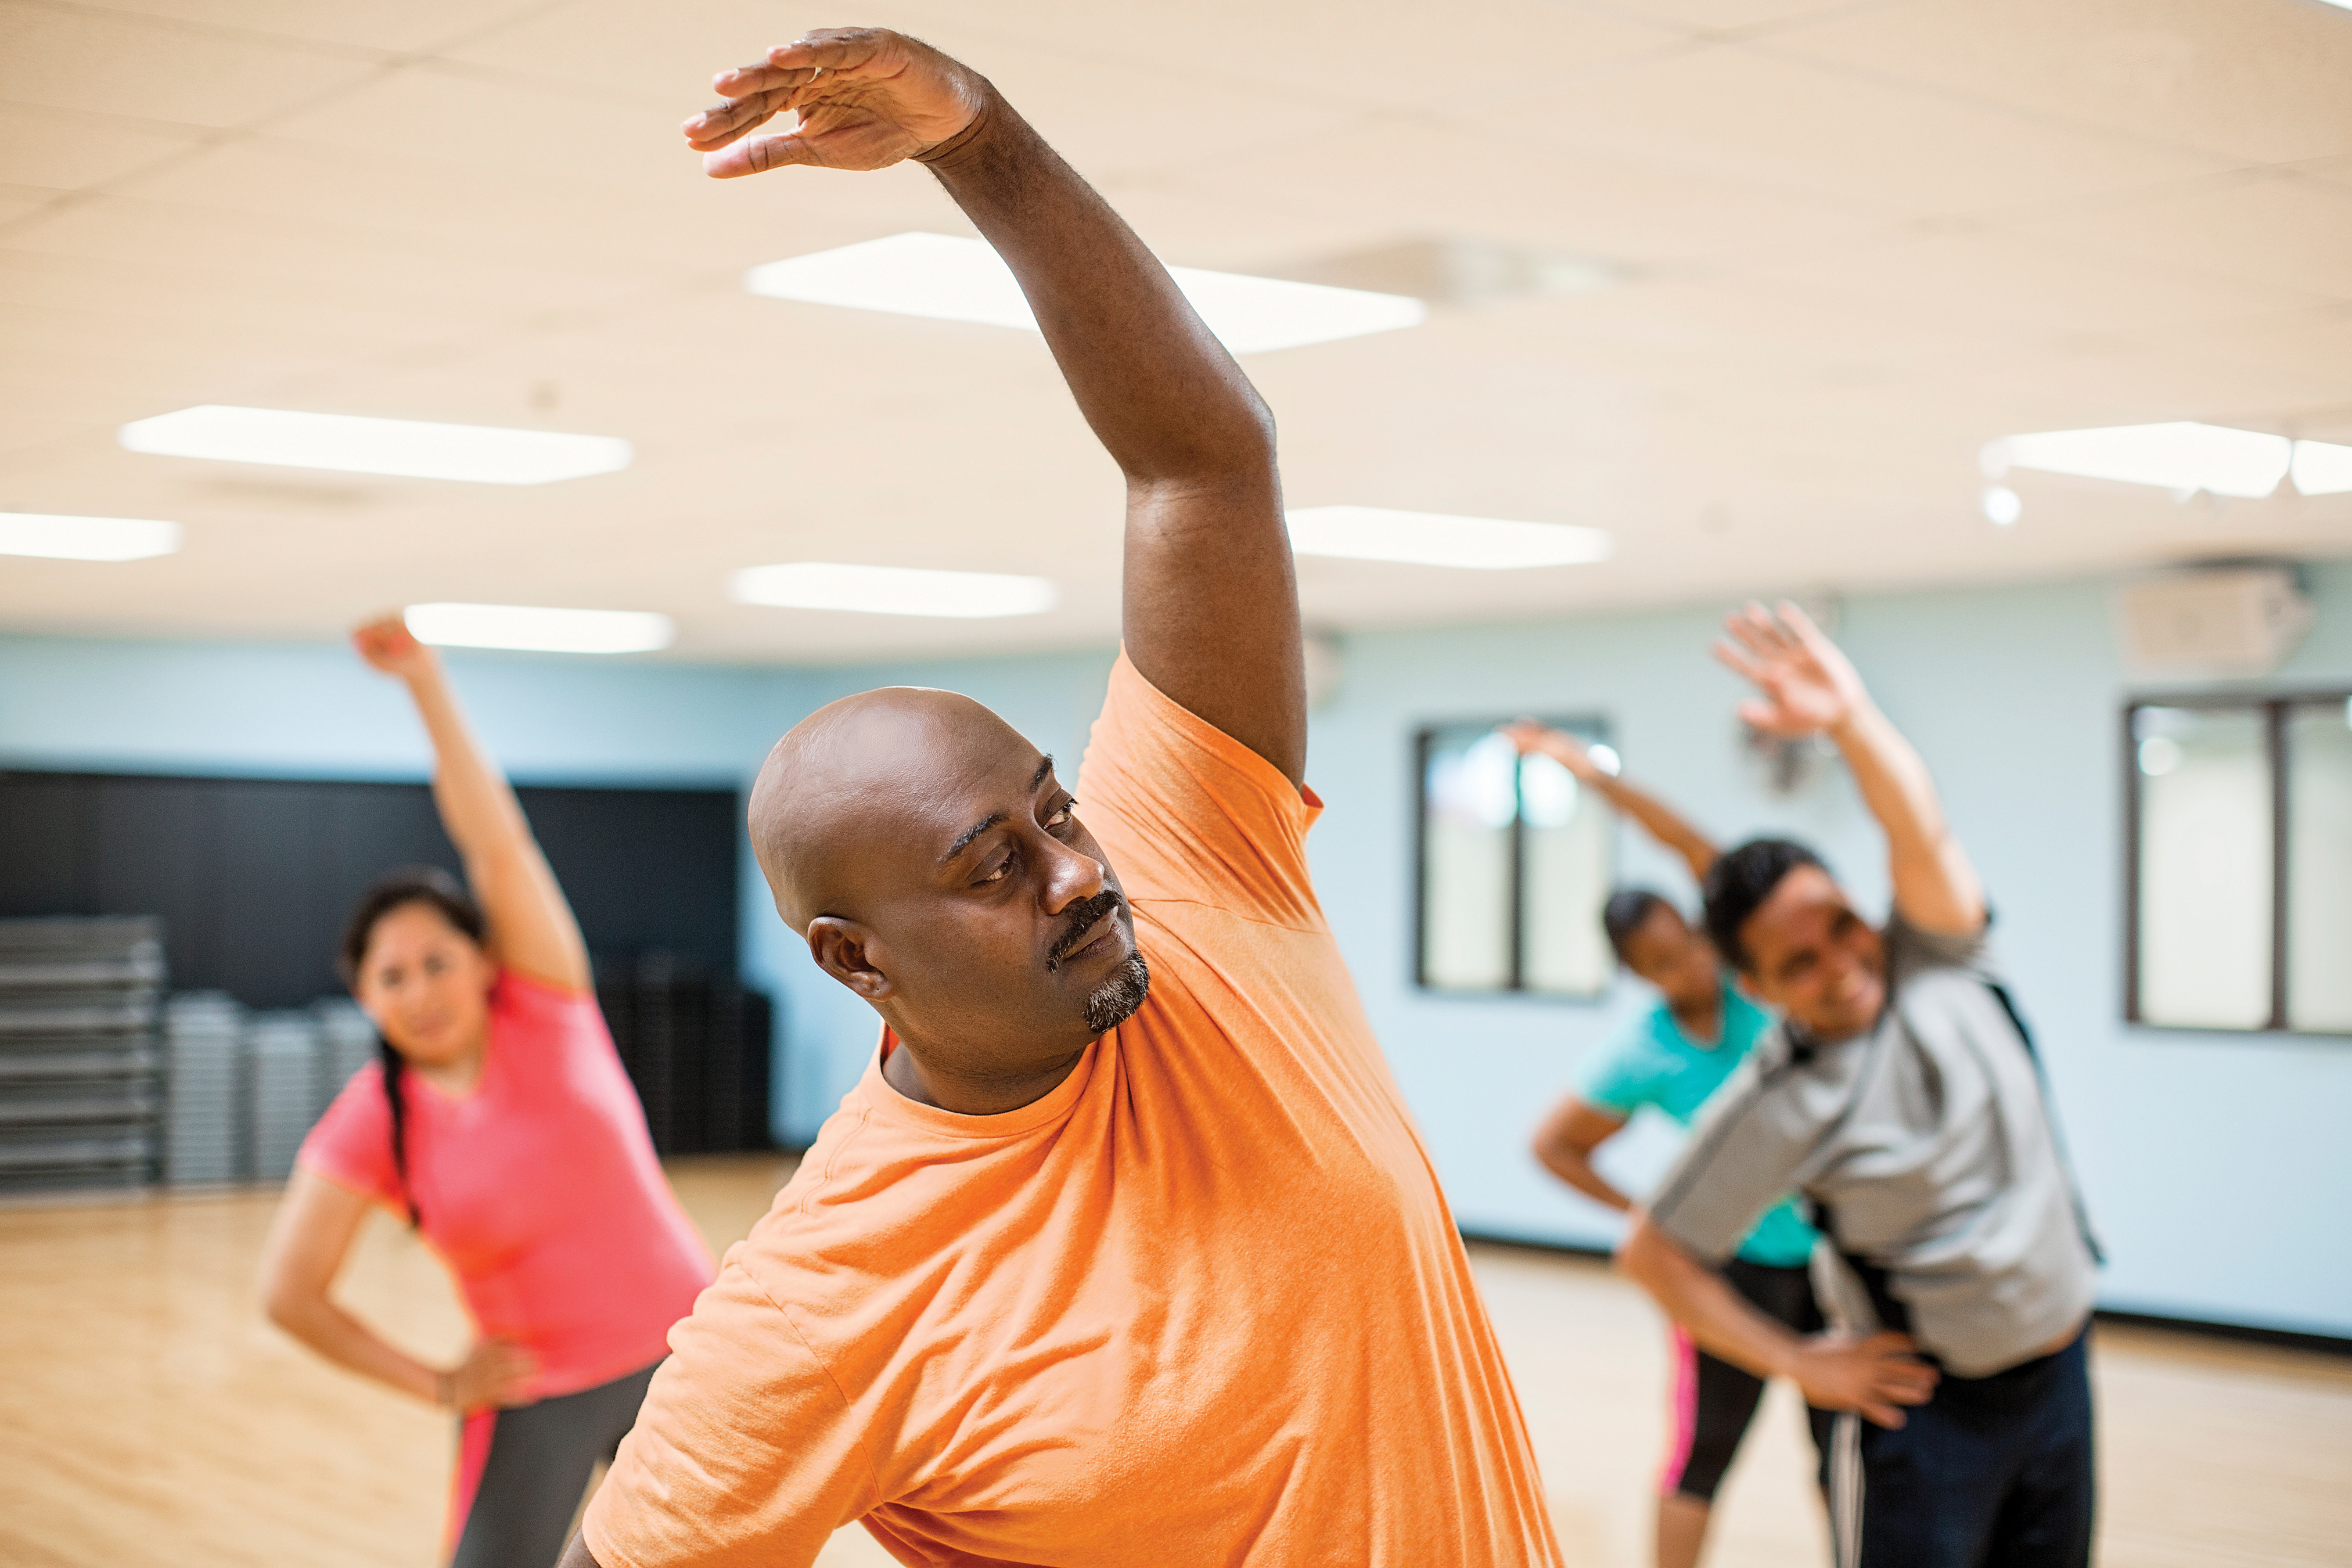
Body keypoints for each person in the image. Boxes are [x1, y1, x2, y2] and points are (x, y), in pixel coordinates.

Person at [562, 27, 1563, 1568]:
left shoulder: (1202, 876)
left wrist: (982, 142)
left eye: (1056, 813)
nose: (1077, 873)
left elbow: (1203, 467)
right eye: (986, 867)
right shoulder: (825, 1296)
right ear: (853, 957)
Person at [1618, 603, 2101, 1568]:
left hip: (2059, 1379)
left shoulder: (1942, 956)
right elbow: (1654, 1254)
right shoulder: (1776, 1102)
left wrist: (1849, 720)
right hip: (1924, 1420)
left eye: (1840, 923)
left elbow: (1916, 824)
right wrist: (1793, 1361)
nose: (1840, 962)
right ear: (1755, 988)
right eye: (1797, 962)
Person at [258, 618, 716, 1568]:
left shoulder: (546, 1008)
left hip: (688, 1356)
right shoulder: (371, 1121)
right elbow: (289, 1295)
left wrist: (423, 681)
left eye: (435, 961)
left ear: (480, 960)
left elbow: (495, 842)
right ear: (363, 997)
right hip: (534, 1393)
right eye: (391, 977)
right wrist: (435, 1383)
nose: (418, 991)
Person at [1506, 723, 1831, 1568]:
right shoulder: (1642, 1053)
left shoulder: (1751, 974)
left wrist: (1591, 775)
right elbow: (1554, 1146)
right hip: (1733, 1267)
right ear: (1639, 975)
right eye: (1659, 961)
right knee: (1703, 1453)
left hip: (1837, 1253)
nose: (1684, 964)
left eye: (1686, 941)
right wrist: (1645, 1209)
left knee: (1849, 1454)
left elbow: (1691, 844)